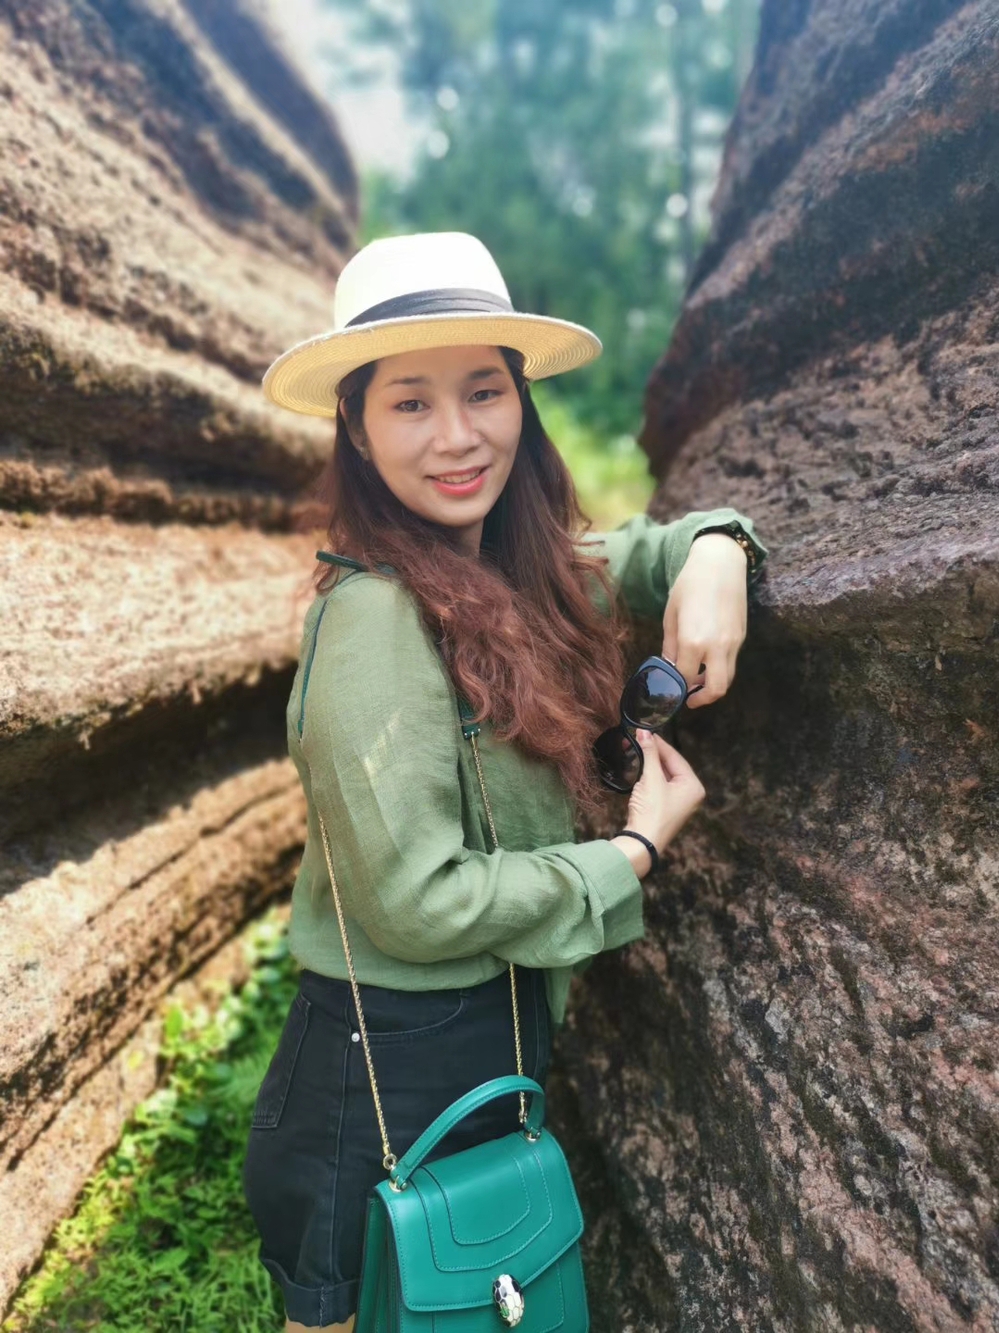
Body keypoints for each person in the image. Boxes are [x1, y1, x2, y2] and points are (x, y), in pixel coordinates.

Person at [242, 231, 769, 1333]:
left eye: (483, 390)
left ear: (520, 401)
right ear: (355, 426)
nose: (457, 435)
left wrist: (719, 550)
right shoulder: (376, 615)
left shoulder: (511, 571)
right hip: (379, 1070)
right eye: (410, 403)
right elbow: (414, 899)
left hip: (486, 1034)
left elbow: (640, 555)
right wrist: (627, 854)